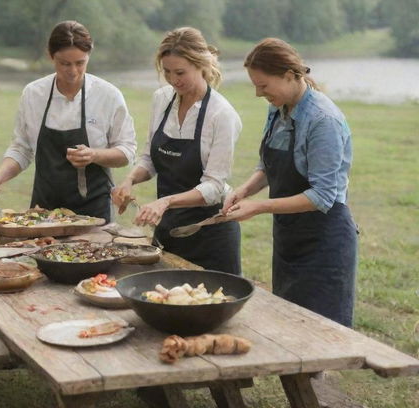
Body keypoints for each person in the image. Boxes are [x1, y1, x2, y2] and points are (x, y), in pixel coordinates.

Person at [222, 37, 358, 327]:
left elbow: (322, 197)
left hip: (324, 241)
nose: (259, 93)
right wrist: (243, 191)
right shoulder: (278, 107)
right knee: (289, 327)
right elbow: (269, 166)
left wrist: (257, 207)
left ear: (288, 76)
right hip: (289, 238)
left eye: (263, 85)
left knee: (321, 336)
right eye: (255, 86)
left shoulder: (323, 120)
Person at [111, 27, 242, 274]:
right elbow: (150, 157)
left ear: (201, 65)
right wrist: (129, 181)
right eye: (167, 72)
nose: (173, 80)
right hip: (168, 230)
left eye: (180, 72)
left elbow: (214, 187)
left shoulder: (221, 114)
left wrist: (165, 202)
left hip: (211, 236)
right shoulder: (162, 99)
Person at [0, 21, 137, 221]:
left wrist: (94, 155)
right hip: (42, 212)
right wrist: (0, 175)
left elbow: (127, 151)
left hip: (93, 213)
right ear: (50, 56)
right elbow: (22, 148)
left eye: (80, 63)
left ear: (89, 56)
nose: (73, 71)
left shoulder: (108, 96)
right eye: (64, 63)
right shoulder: (33, 94)